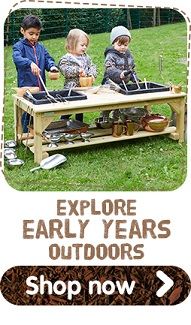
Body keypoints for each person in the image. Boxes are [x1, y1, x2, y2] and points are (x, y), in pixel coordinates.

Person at [13, 15, 59, 132]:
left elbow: (48, 58)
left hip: (41, 87)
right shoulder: (18, 47)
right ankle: (25, 134)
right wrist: (30, 63)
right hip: (27, 87)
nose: (34, 37)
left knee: (40, 112)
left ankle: (38, 133)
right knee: (27, 113)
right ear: (22, 31)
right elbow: (17, 59)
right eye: (31, 33)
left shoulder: (41, 47)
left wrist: (52, 66)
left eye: (37, 34)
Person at [101, 25, 140, 120]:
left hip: (123, 85)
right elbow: (109, 69)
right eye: (120, 45)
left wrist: (135, 79)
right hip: (111, 84)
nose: (123, 47)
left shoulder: (129, 55)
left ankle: (118, 119)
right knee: (111, 104)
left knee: (124, 102)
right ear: (113, 43)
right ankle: (104, 118)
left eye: (125, 45)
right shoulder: (111, 55)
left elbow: (131, 69)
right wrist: (119, 74)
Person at [58, 28, 97, 121]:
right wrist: (77, 71)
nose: (84, 47)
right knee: (69, 109)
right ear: (72, 44)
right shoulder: (66, 58)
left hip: (84, 88)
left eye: (86, 45)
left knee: (81, 108)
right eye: (82, 45)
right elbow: (65, 70)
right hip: (71, 89)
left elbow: (92, 66)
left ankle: (79, 125)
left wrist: (92, 75)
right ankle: (62, 122)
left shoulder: (85, 57)